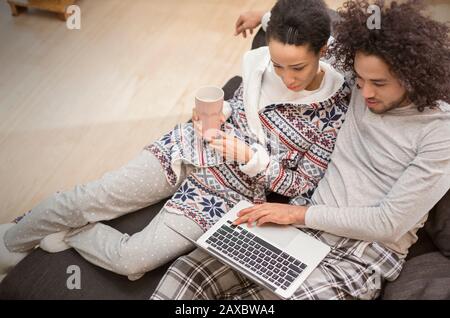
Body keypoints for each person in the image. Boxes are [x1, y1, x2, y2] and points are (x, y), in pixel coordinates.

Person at [0, 0, 350, 283]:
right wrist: (222, 109)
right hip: (188, 148)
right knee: (88, 197)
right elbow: (282, 16)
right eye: (277, 65)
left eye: (298, 68)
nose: (286, 77)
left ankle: (67, 233)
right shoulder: (268, 55)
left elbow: (302, 182)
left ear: (322, 50)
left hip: (224, 194)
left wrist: (251, 158)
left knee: (132, 261)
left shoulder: (333, 108)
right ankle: (10, 241)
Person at [150, 0, 450, 300]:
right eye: (359, 80)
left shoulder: (439, 131)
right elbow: (314, 37)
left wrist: (295, 214)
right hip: (299, 230)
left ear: (413, 75)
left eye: (379, 83)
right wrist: (267, 18)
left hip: (358, 255)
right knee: (187, 272)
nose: (365, 92)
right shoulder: (360, 69)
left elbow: (388, 223)